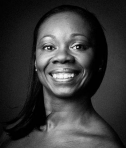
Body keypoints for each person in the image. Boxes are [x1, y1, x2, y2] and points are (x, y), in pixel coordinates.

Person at [0, 5, 124, 148]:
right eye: (49, 47)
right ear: (35, 61)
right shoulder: (12, 134)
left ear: (99, 61)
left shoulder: (103, 145)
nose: (62, 57)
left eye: (78, 46)